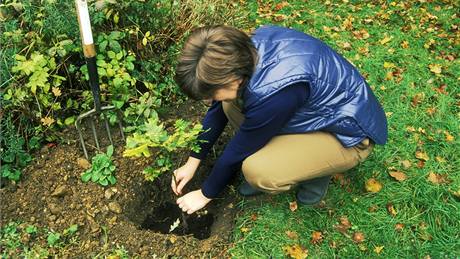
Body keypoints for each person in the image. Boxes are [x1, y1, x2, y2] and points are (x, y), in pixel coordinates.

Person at [171, 25, 388, 215]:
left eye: (209, 93)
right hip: (315, 113)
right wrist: (193, 161)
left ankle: (317, 175)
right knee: (228, 103)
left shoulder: (274, 94)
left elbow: (240, 147)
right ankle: (294, 157)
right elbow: (218, 109)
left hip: (347, 135)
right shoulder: (242, 54)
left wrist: (205, 193)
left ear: (232, 78)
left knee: (258, 171)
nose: (208, 100)